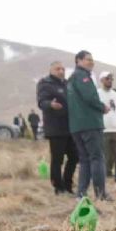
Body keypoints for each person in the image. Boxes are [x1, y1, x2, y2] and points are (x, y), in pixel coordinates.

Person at [67, 50, 112, 201]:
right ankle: (100, 194)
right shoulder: (82, 76)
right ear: (78, 61)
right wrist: (102, 107)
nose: (91, 62)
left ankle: (81, 193)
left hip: (76, 126)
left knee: (85, 159)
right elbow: (89, 97)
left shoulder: (71, 79)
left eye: (92, 59)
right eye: (87, 59)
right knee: (97, 158)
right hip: (89, 124)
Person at [37, 61, 78, 194]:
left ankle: (68, 184)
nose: (61, 71)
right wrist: (50, 104)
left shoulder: (67, 84)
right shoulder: (45, 83)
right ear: (51, 70)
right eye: (57, 69)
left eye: (62, 69)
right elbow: (41, 102)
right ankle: (58, 187)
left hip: (70, 127)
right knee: (57, 159)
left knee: (74, 156)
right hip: (55, 127)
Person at [96, 71, 116, 184]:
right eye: (108, 79)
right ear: (102, 80)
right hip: (103, 129)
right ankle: (102, 181)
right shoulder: (97, 93)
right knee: (105, 158)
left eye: (111, 79)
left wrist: (115, 119)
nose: (110, 81)